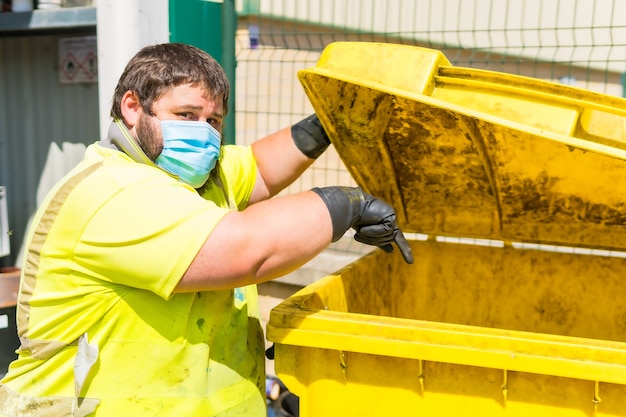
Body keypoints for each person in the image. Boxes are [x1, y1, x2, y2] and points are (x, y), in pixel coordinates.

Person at [0, 43, 413, 417]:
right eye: (185, 115)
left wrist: (327, 124)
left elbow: (260, 168)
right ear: (131, 106)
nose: (203, 133)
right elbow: (248, 251)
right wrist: (348, 205)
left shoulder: (198, 177)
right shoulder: (113, 192)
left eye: (213, 120)